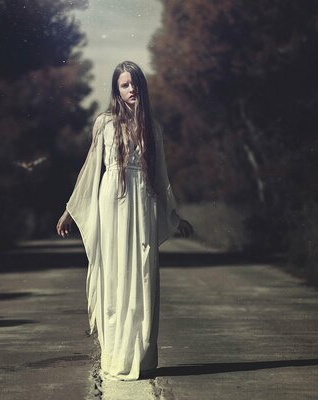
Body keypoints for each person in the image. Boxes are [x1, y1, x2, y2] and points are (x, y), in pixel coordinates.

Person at [56, 61, 193, 381]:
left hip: (142, 202)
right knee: (114, 277)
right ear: (116, 90)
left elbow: (161, 176)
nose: (131, 90)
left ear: (142, 87)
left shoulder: (153, 126)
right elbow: (91, 168)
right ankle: (116, 355)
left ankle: (142, 359)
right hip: (112, 203)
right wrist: (69, 210)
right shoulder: (104, 123)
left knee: (142, 275)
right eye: (124, 85)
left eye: (135, 84)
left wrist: (174, 216)